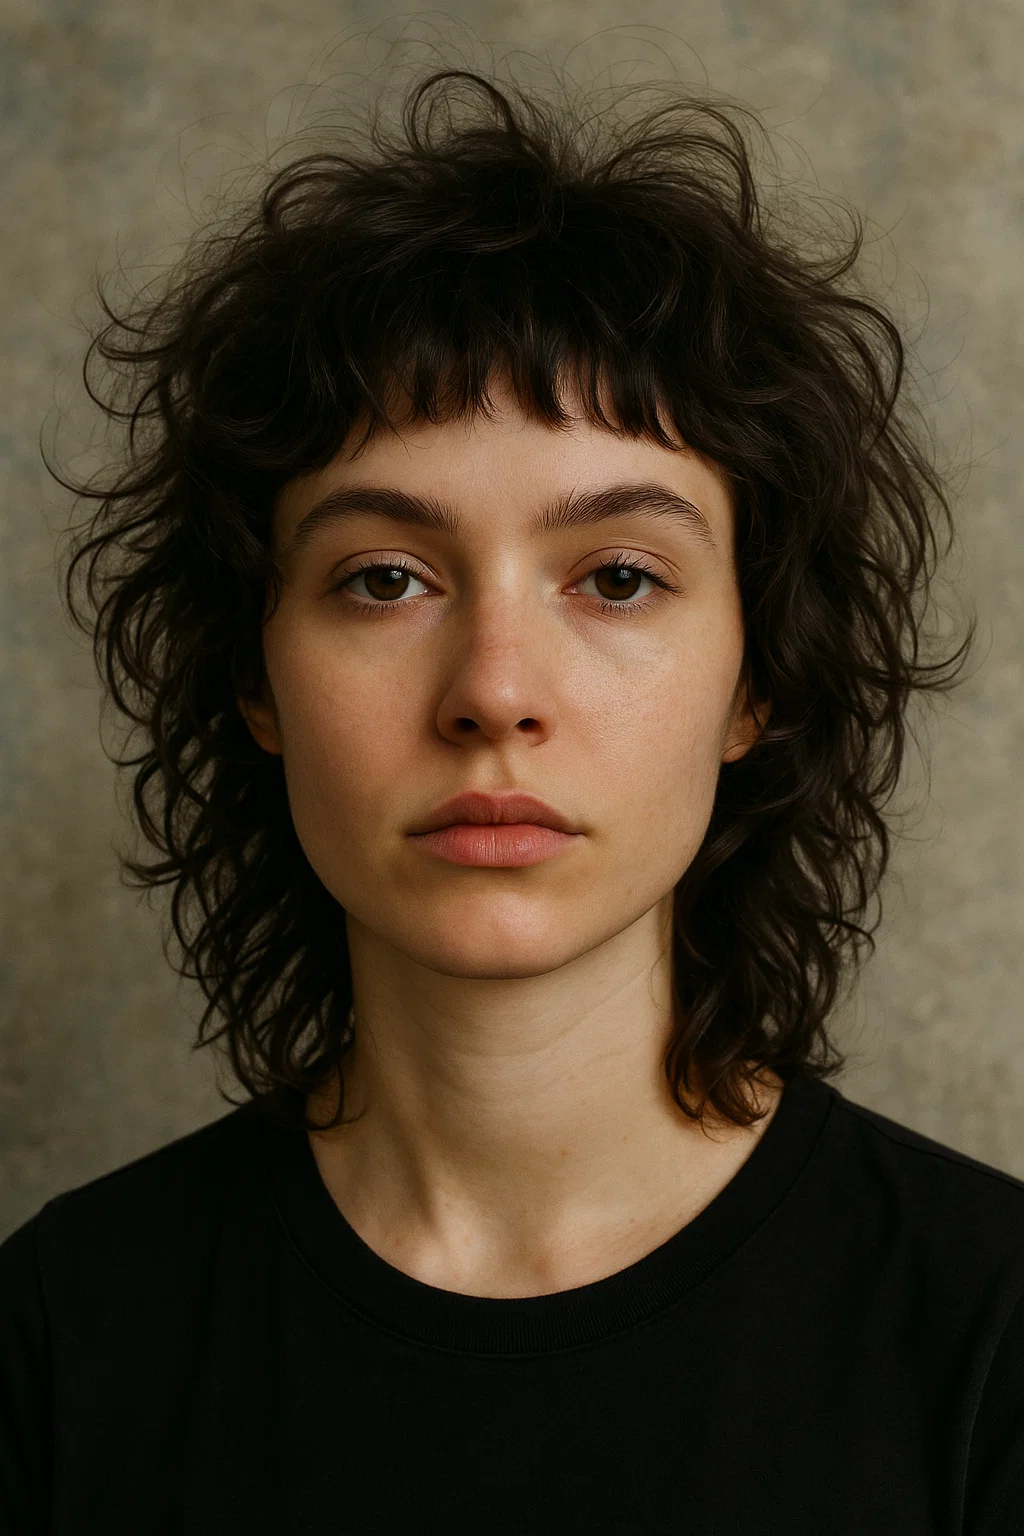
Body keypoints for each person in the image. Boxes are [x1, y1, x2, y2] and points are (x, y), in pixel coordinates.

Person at [1, 65, 1020, 1534]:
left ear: (761, 679)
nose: (493, 689)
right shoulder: (62, 1336)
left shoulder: (990, 1335)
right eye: (385, 579)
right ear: (256, 683)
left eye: (617, 577)